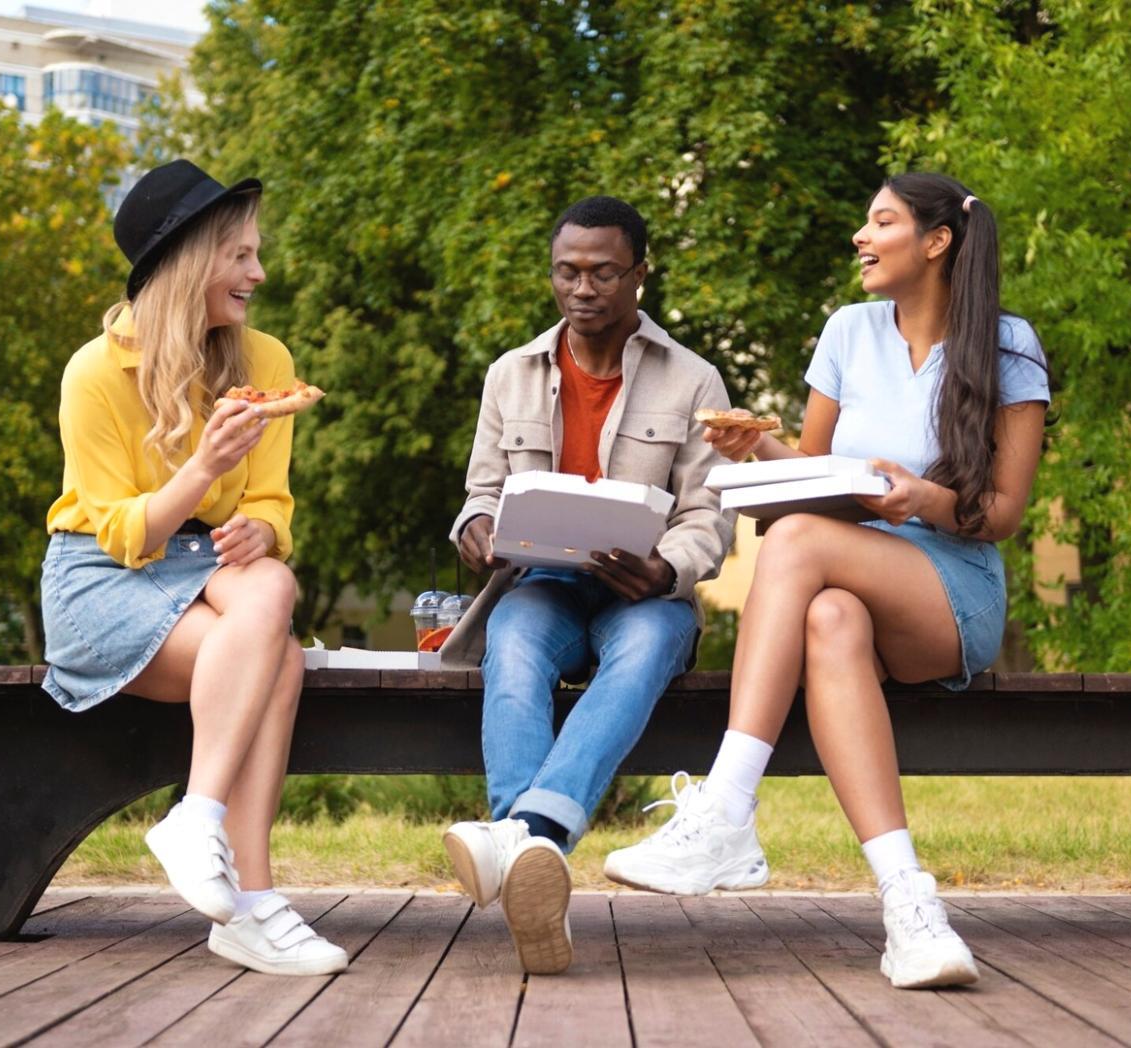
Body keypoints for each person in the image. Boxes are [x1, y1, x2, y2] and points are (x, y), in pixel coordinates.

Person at [604, 173, 1050, 990]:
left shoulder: (1008, 345)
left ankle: (728, 804)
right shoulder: (848, 330)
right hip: (853, 576)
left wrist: (926, 499)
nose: (861, 236)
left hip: (952, 588)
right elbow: (815, 471)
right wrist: (757, 450)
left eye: (882, 221)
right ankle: (908, 907)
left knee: (802, 542)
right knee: (832, 618)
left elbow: (1006, 511)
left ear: (937, 241)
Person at [40, 159, 346, 976]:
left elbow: (276, 502)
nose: (259, 272)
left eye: (256, 253)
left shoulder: (267, 364)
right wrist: (204, 472)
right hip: (101, 576)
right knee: (273, 657)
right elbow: (120, 535)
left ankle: (198, 820)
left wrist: (263, 531)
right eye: (240, 256)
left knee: (275, 588)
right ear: (186, 262)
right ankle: (249, 899)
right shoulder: (95, 373)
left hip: (205, 561)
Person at [440, 196, 735, 974]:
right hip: (541, 582)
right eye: (568, 272)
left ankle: (522, 840)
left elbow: (712, 514)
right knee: (512, 645)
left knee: (642, 654)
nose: (584, 288)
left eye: (604, 272)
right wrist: (474, 528)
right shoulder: (511, 374)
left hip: (646, 594)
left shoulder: (695, 379)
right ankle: (538, 852)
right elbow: (482, 490)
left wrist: (667, 568)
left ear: (639, 274)